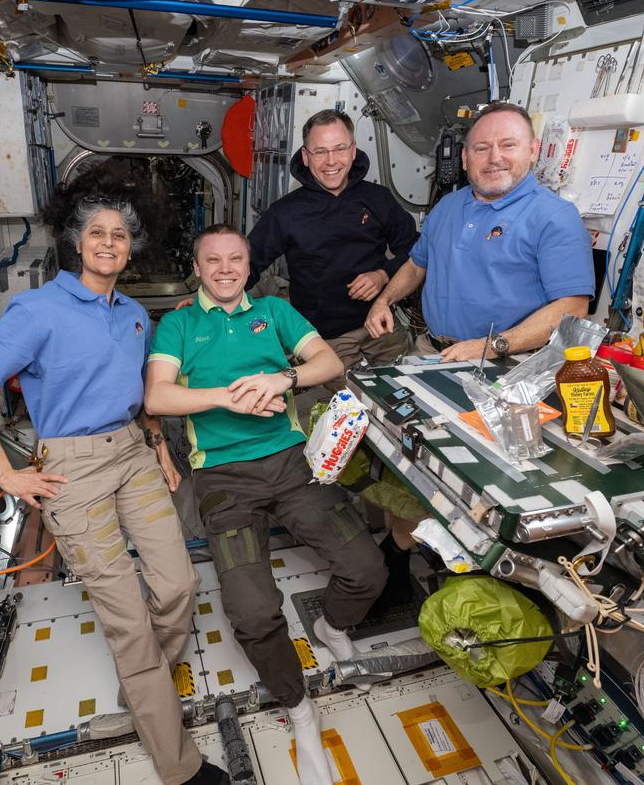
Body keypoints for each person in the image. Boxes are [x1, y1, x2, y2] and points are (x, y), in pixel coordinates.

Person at [0, 171, 228, 785]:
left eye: (120, 235)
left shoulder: (134, 314)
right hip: (71, 470)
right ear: (76, 241)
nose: (109, 243)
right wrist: (6, 474)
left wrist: (157, 447)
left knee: (179, 583)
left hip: (132, 452)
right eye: (96, 233)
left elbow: (142, 394)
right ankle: (178, 763)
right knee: (128, 617)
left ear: (132, 247)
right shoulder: (37, 310)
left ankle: (144, 681)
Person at [145, 224, 386, 785]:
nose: (225, 269)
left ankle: (331, 625)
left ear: (249, 265)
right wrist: (232, 395)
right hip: (223, 479)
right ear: (197, 267)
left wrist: (279, 380)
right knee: (253, 613)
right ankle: (299, 705)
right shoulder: (179, 323)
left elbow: (328, 362)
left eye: (236, 259)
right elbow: (157, 395)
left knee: (366, 569)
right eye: (213, 260)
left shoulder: (275, 311)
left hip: (292, 463)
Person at [365, 101, 594, 361]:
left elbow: (573, 307)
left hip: (507, 361)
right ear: (464, 158)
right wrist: (384, 300)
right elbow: (417, 265)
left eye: (508, 145)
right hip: (432, 350)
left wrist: (491, 346)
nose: (494, 158)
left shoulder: (555, 216)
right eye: (481, 148)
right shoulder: (447, 206)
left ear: (533, 150)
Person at [247, 109, 417, 385]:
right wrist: (208, 303)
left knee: (401, 400)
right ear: (305, 156)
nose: (331, 161)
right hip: (326, 340)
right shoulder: (286, 212)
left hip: (382, 326)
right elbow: (249, 263)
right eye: (320, 151)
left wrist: (383, 275)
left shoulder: (378, 199)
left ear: (353, 150)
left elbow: (415, 249)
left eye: (339, 149)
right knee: (347, 416)